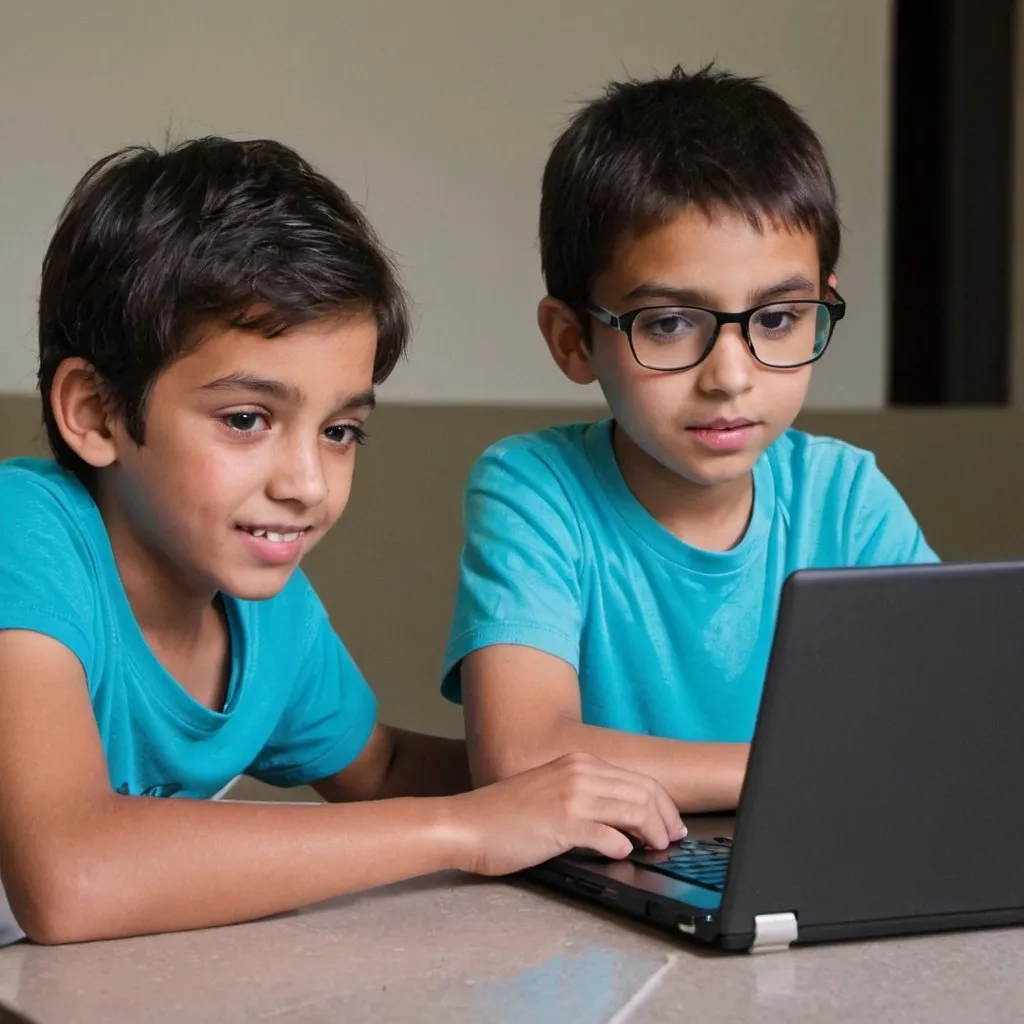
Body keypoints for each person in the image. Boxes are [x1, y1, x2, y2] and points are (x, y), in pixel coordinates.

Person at [0, 137, 682, 946]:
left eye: (340, 430)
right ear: (96, 412)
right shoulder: (24, 534)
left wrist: (600, 788)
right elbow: (71, 877)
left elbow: (381, 769)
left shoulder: (264, 612)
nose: (309, 484)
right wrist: (462, 829)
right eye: (247, 419)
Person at [443, 66, 937, 812]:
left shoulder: (847, 499)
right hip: (605, 889)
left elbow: (951, 727)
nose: (730, 376)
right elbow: (521, 754)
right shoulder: (536, 488)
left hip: (811, 870)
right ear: (574, 340)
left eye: (776, 319)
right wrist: (797, 772)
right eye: (670, 324)